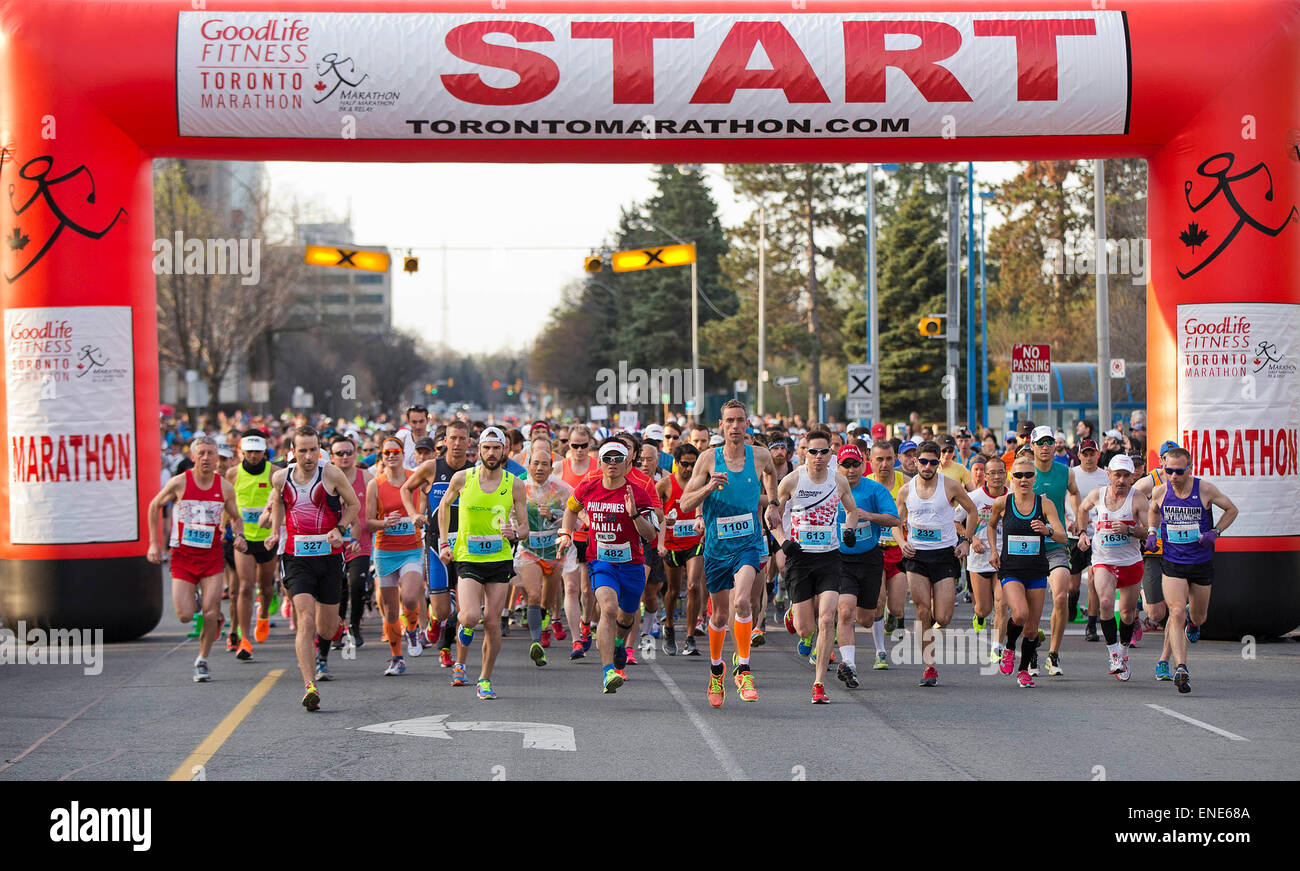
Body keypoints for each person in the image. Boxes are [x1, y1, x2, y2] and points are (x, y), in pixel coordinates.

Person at [677, 400, 780, 707]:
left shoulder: (759, 456)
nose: (735, 426)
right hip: (717, 548)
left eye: (740, 421)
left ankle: (744, 669)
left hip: (749, 542)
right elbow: (684, 504)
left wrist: (772, 503)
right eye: (729, 421)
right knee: (720, 614)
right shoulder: (709, 458)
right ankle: (716, 669)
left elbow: (772, 474)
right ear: (720, 426)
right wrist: (708, 487)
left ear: (747, 424)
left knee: (743, 600)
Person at [261, 426, 361, 711]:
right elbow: (279, 503)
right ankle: (309, 685)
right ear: (292, 451)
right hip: (297, 557)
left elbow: (353, 504)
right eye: (302, 450)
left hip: (329, 556)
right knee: (304, 617)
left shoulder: (330, 473)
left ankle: (336, 627)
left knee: (326, 629)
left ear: (319, 449)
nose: (308, 456)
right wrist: (276, 533)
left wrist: (340, 529)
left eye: (313, 449)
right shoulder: (281, 477)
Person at [767, 430, 864, 703]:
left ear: (830, 455)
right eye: (813, 452)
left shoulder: (839, 480)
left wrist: (850, 530)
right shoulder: (793, 480)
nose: (819, 457)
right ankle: (794, 615)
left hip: (829, 557)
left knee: (826, 619)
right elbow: (771, 514)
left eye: (824, 452)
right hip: (800, 558)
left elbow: (852, 510)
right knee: (806, 629)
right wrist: (783, 542)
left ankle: (819, 683)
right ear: (804, 453)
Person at [558, 439, 659, 693]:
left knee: (626, 615)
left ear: (627, 463)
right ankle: (608, 672)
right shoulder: (588, 487)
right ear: (600, 462)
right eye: (607, 458)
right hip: (601, 560)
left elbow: (650, 536)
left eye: (617, 459)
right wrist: (565, 533)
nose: (612, 463)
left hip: (632, 563)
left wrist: (634, 514)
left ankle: (617, 645)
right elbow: (571, 509)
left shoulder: (639, 492)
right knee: (608, 608)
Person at [435, 426, 529, 700]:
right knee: (470, 616)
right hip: (468, 558)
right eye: (486, 448)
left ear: (504, 451)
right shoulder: (463, 478)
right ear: (479, 451)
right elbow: (443, 507)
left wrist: (515, 532)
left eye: (496, 448)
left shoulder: (515, 484)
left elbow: (525, 529)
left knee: (491, 621)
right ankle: (461, 648)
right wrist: (443, 542)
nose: (491, 453)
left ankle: (484, 679)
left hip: (499, 559)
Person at [147, 437, 246, 683]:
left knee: (211, 613)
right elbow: (153, 506)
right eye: (201, 453)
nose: (205, 458)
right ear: (193, 457)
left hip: (211, 556)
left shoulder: (224, 487)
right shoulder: (179, 483)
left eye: (210, 453)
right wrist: (154, 543)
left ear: (216, 458)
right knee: (184, 615)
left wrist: (240, 535)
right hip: (183, 557)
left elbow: (235, 516)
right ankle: (202, 601)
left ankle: (202, 660)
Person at [1146, 447, 1238, 694]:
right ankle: (1181, 668)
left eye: (1178, 471)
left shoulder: (1204, 489)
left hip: (1200, 563)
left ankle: (1194, 625)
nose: (1173, 476)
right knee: (1175, 611)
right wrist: (1153, 533)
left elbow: (1232, 510)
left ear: (1189, 469)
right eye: (1168, 471)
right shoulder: (1160, 491)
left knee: (1198, 616)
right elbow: (1153, 510)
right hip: (1173, 562)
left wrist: (1214, 532)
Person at [896, 441, 979, 686]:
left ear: (938, 464)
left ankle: (930, 626)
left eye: (933, 462)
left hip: (944, 555)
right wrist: (901, 543)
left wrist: (966, 540)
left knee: (942, 617)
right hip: (917, 556)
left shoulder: (950, 486)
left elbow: (972, 511)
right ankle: (929, 666)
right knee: (923, 611)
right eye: (923, 461)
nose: (928, 466)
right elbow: (895, 523)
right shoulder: (906, 490)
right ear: (915, 462)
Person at [986, 454, 1068, 687]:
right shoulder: (1003, 503)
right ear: (1012, 478)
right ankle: (1009, 648)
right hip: (1011, 569)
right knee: (1019, 614)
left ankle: (1023, 670)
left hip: (1036, 570)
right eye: (1019, 475)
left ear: (1035, 479)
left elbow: (1062, 537)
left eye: (1028, 475)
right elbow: (991, 525)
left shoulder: (1045, 504)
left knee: (1032, 630)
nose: (1023, 479)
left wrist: (1047, 530)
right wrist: (993, 551)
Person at [405, 420, 472, 668]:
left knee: (464, 607)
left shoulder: (474, 471)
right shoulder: (432, 467)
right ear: (444, 441)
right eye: (452, 438)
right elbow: (405, 489)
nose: (456, 443)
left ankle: (446, 647)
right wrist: (413, 513)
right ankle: (435, 620)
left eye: (461, 439)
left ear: (468, 442)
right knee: (443, 609)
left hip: (466, 545)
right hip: (436, 544)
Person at [832, 443, 900, 690]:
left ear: (863, 465)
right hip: (840, 559)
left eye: (855, 465)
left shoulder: (874, 490)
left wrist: (868, 516)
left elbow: (895, 519)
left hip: (869, 558)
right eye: (845, 465)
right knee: (845, 611)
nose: (851, 470)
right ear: (837, 467)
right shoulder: (829, 489)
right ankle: (849, 665)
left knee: (866, 618)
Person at [1076, 455, 1148, 681]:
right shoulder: (1098, 494)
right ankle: (1114, 654)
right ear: (1109, 474)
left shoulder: (1138, 499)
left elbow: (1150, 532)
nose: (1122, 480)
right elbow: (1082, 509)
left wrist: (1129, 531)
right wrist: (1082, 534)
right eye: (1117, 475)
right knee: (1106, 602)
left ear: (1132, 477)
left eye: (1127, 476)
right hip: (1103, 559)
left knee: (1127, 614)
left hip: (1130, 561)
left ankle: (1124, 652)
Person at [367, 437, 427, 677]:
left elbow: (424, 506)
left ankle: (412, 629)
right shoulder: (375, 485)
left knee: (411, 598)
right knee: (391, 611)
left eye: (396, 451)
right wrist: (384, 522)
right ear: (382, 456)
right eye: (387, 452)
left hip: (411, 548)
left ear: (403, 454)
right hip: (385, 551)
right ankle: (397, 658)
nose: (391, 456)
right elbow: (369, 522)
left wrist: (419, 516)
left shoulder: (415, 478)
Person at [515, 440, 575, 667]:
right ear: (528, 465)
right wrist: (513, 528)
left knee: (547, 601)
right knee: (533, 594)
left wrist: (554, 516)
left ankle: (545, 619)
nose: (540, 468)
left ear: (551, 467)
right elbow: (509, 513)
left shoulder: (561, 489)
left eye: (545, 464)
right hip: (529, 549)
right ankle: (535, 643)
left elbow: (575, 519)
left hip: (554, 551)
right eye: (535, 463)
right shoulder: (518, 486)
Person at [1028, 425, 1082, 677]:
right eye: (1041, 443)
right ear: (1032, 446)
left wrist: (1075, 517)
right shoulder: (1024, 473)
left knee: (1062, 595)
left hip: (1056, 544)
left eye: (1049, 441)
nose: (1046, 446)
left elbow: (1074, 492)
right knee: (1028, 608)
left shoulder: (1065, 472)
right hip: (1027, 546)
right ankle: (1030, 647)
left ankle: (1053, 653)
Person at [225, 432, 280, 659]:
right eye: (249, 452)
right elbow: (226, 501)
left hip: (267, 538)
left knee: (265, 588)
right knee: (245, 587)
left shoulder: (275, 473)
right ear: (242, 453)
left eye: (257, 452)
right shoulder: (233, 473)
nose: (254, 456)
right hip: (244, 537)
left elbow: (282, 501)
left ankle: (264, 613)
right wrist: (223, 526)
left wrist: (275, 523)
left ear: (264, 452)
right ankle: (244, 640)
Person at [1132, 439, 1179, 677]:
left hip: (1178, 552)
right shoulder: (1150, 482)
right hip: (1153, 551)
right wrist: (1138, 530)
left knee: (1175, 610)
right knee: (1155, 614)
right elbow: (1128, 500)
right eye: (1167, 457)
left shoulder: (1185, 481)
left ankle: (1166, 661)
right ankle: (1141, 590)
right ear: (1161, 461)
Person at [657, 442, 705, 656]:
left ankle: (690, 637)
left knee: (694, 586)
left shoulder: (700, 483)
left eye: (693, 465)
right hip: (672, 545)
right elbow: (654, 513)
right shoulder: (665, 484)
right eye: (684, 464)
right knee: (673, 591)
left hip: (695, 542)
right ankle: (668, 626)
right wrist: (662, 522)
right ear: (676, 463)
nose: (688, 468)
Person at [331, 433, 372, 649]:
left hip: (360, 542)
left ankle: (355, 628)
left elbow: (379, 506)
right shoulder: (326, 478)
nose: (345, 457)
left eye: (349, 452)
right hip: (333, 543)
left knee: (356, 583)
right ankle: (338, 628)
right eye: (340, 453)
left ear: (356, 454)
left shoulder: (366, 478)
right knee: (338, 588)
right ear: (332, 457)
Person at [1067, 439, 1109, 641]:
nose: (1089, 457)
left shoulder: (1106, 477)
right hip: (1074, 535)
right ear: (1079, 455)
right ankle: (1072, 602)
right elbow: (1060, 502)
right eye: (1085, 453)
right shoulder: (1071, 474)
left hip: (1097, 534)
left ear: (1098, 455)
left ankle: (1091, 626)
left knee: (1094, 581)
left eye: (1092, 453)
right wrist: (1067, 520)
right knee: (1073, 585)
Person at [967, 454, 1007, 661]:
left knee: (1002, 604)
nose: (997, 477)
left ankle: (997, 646)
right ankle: (979, 615)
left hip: (1005, 558)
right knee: (985, 607)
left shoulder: (1014, 497)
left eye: (1001, 472)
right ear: (985, 476)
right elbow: (956, 522)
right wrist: (972, 538)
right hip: (979, 558)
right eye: (992, 473)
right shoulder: (974, 498)